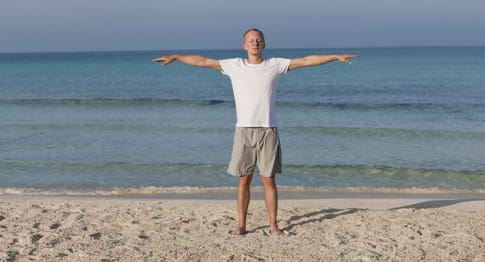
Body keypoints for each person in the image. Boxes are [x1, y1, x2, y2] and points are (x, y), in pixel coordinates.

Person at [153, 28, 358, 236]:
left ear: (264, 44)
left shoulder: (275, 65)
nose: (255, 43)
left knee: (269, 180)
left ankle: (273, 226)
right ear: (244, 45)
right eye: (251, 40)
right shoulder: (234, 66)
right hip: (244, 130)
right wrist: (177, 57)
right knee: (244, 179)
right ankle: (241, 225)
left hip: (268, 129)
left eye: (259, 40)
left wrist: (333, 56)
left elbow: (306, 61)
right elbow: (203, 61)